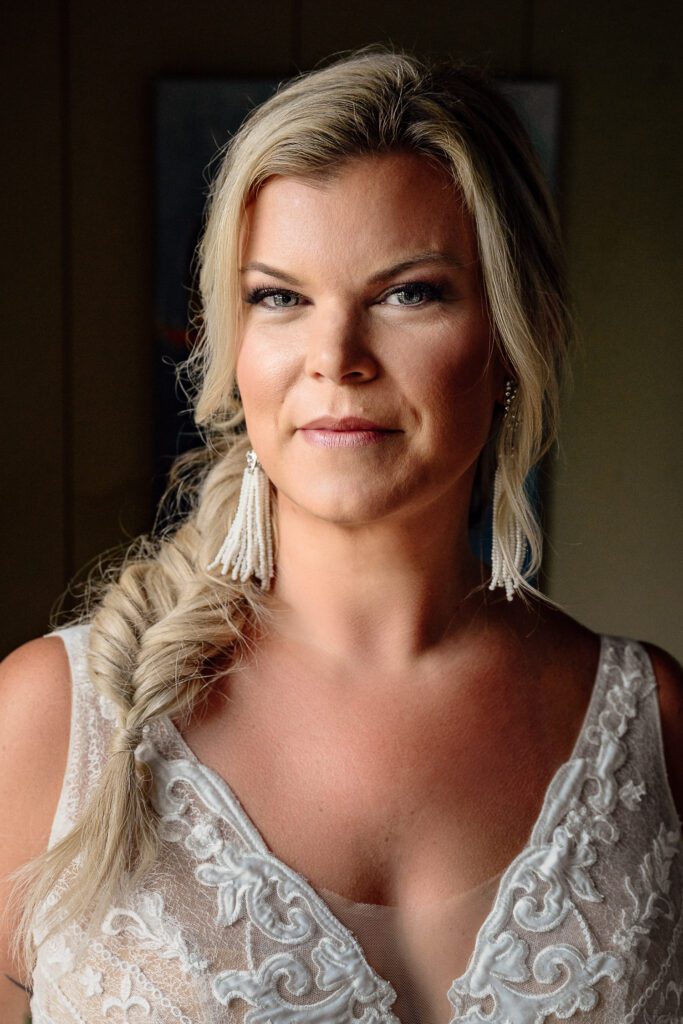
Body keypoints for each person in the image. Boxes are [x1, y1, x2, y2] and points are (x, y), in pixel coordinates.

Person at [1, 46, 682, 1024]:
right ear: (232, 344)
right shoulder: (51, 727)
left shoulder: (651, 727)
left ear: (509, 330)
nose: (335, 358)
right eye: (280, 296)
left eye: (408, 292)